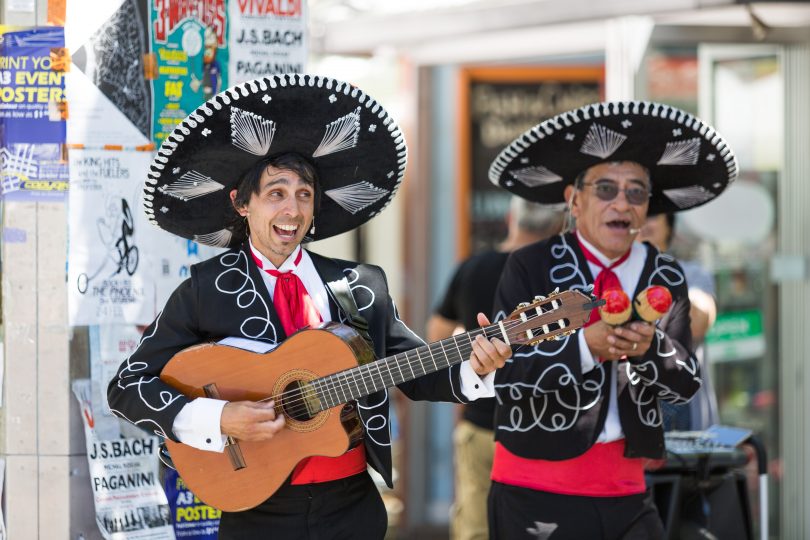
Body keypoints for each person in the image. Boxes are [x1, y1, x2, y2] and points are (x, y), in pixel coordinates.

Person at [107, 74, 511, 540]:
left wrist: (478, 366)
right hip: (257, 506)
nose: (293, 211)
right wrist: (218, 417)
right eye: (276, 193)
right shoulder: (206, 289)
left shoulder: (359, 284)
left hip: (352, 507)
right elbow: (128, 386)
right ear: (242, 203)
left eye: (304, 195)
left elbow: (414, 371)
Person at [485, 101, 738, 539]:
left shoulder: (665, 273)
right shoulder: (530, 266)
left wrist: (650, 349)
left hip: (629, 490)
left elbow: (684, 384)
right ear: (574, 200)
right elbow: (503, 371)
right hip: (534, 491)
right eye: (606, 189)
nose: (622, 202)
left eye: (636, 192)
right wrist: (586, 348)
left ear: (646, 208)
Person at [427, 196, 563, 540]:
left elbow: (436, 338)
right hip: (543, 427)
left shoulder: (473, 267)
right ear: (556, 227)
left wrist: (468, 360)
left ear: (509, 218)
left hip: (480, 424)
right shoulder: (558, 277)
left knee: (476, 528)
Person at [638, 213, 719, 431]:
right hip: (634, 414)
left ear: (669, 227)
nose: (643, 223)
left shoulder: (692, 274)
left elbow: (701, 321)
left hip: (684, 415)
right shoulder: (612, 278)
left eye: (652, 215)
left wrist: (661, 282)